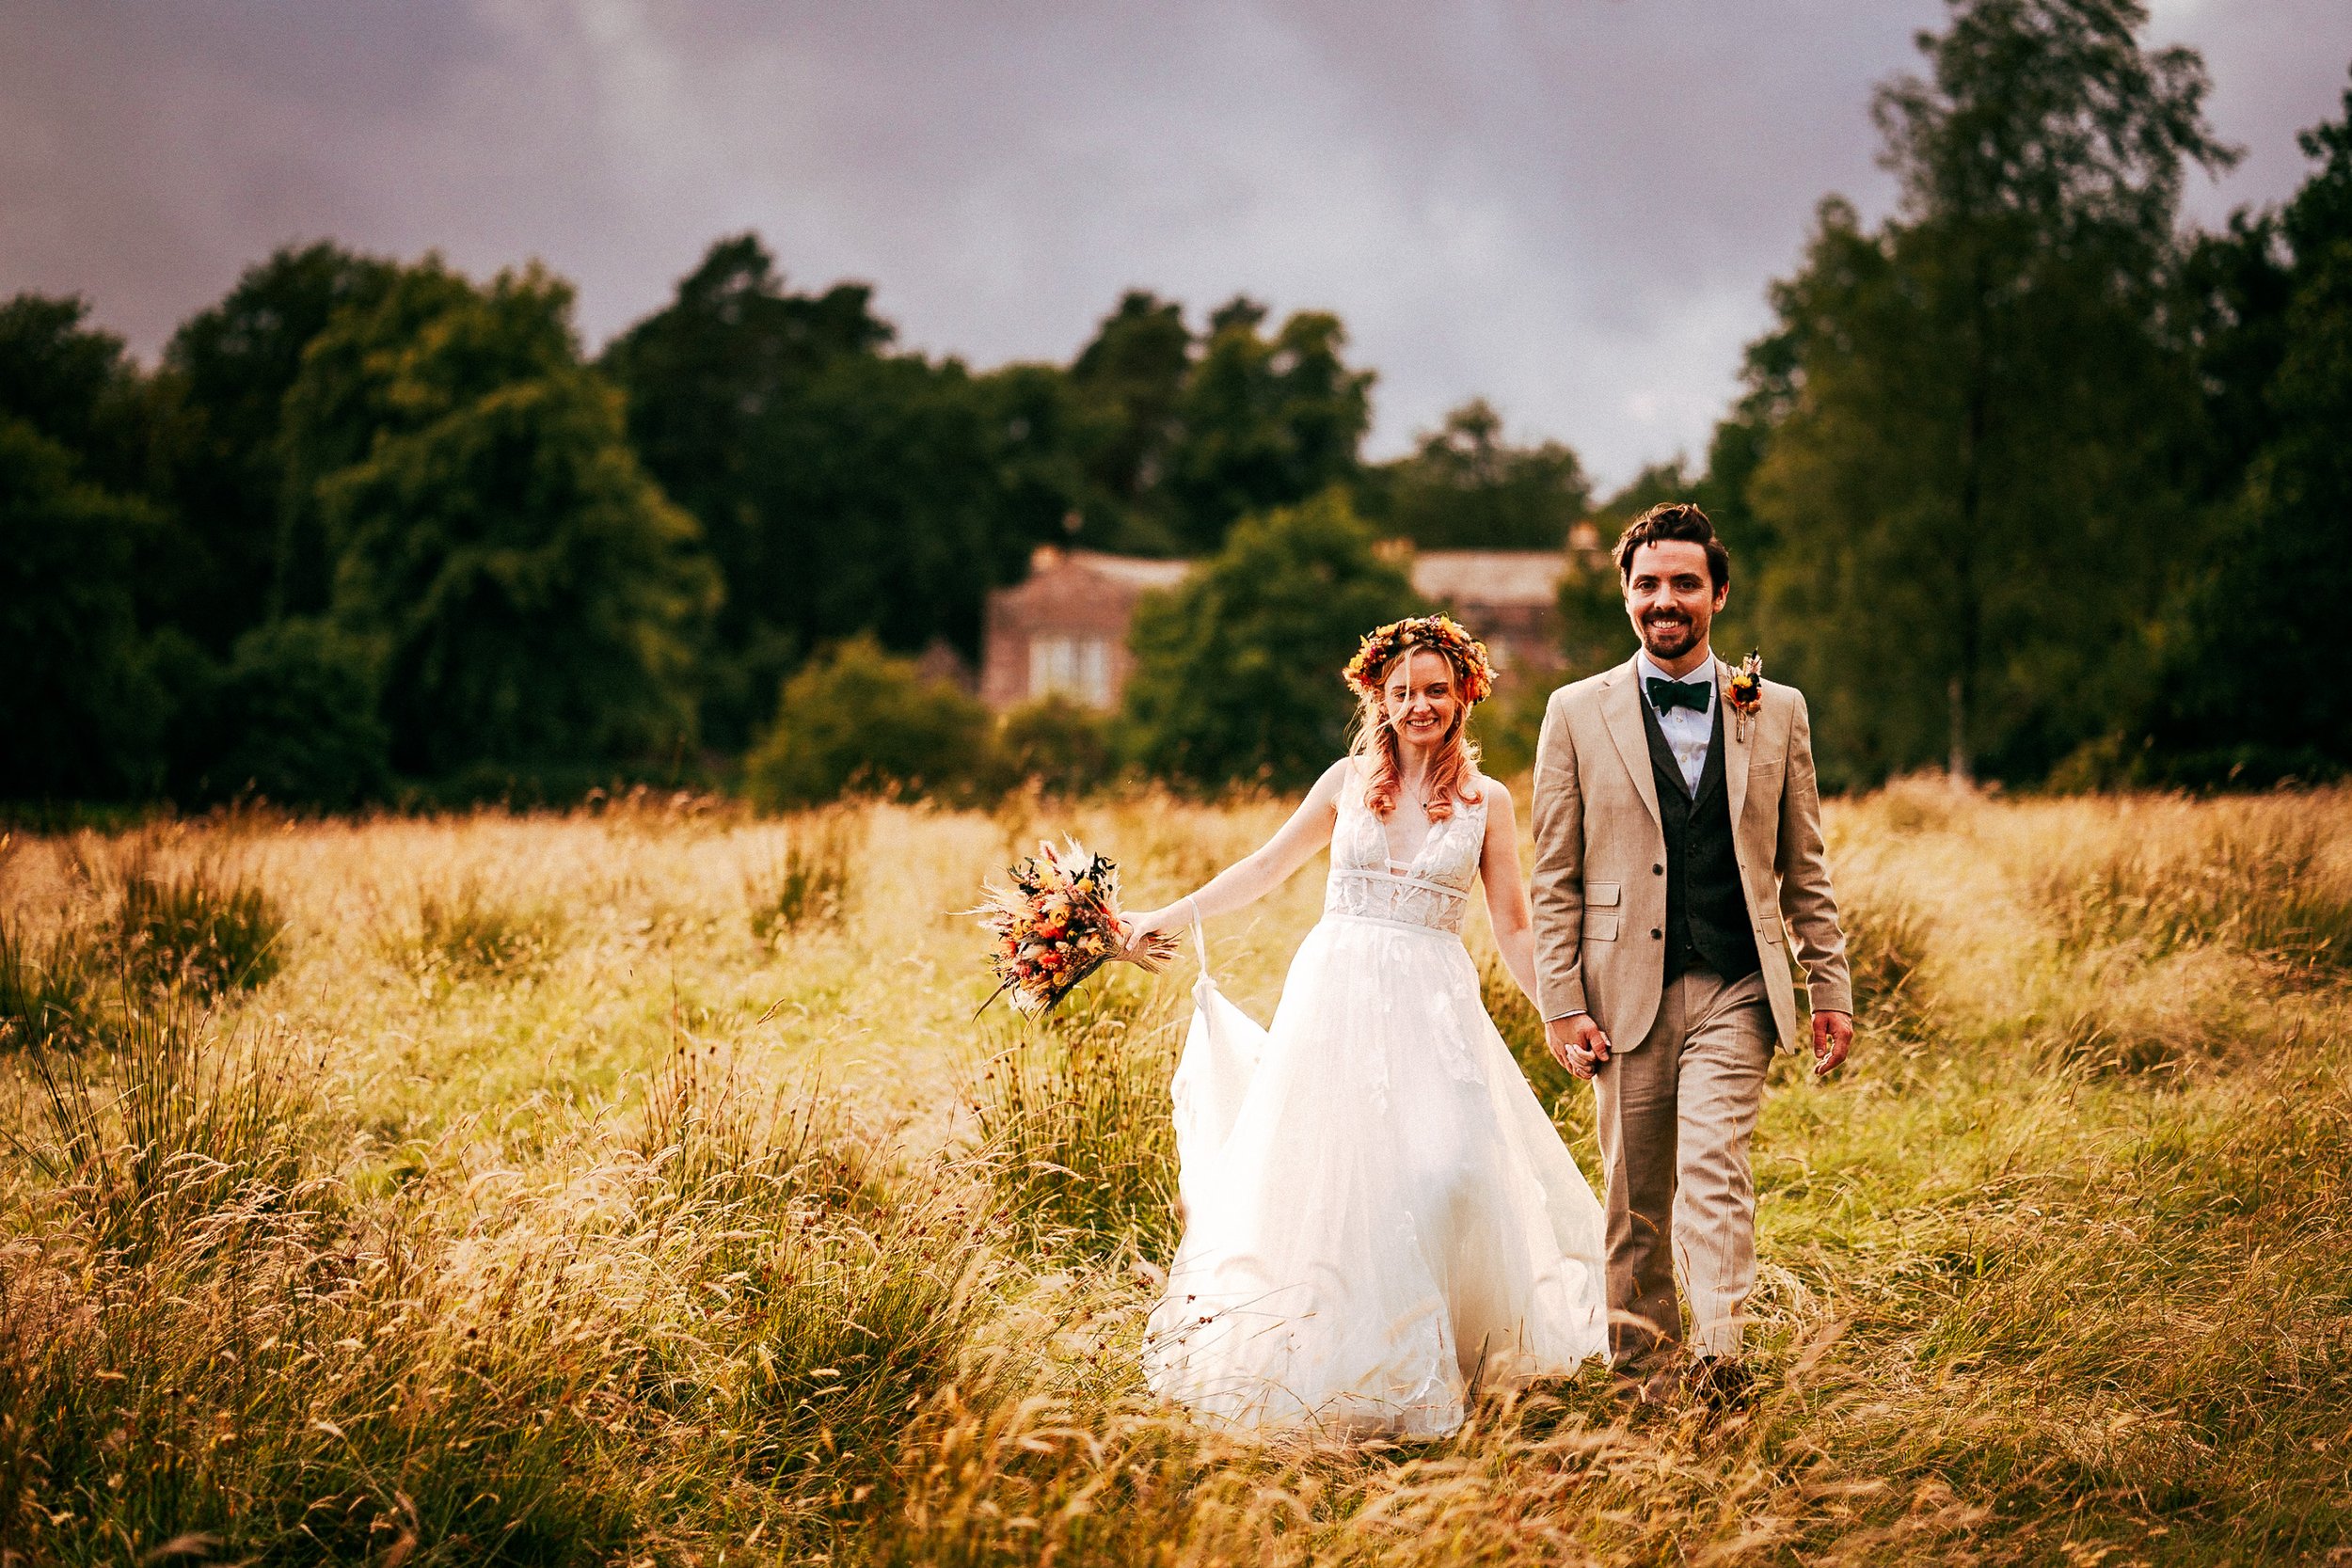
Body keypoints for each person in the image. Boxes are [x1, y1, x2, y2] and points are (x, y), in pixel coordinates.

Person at [1122, 615, 1607, 1437]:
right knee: (1338, 1181)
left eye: (1434, 691)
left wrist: (1563, 1009)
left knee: (1447, 1172)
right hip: (1336, 1000)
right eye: (1403, 692)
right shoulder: (1346, 781)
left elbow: (1515, 928)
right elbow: (1266, 867)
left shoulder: (1487, 803)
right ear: (1379, 698)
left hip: (1434, 1008)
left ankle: (1454, 1341)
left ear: (1464, 696)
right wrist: (1161, 916)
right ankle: (1352, 1365)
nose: (1419, 705)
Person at [1530, 502, 1853, 1413]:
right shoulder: (1573, 711)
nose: (1663, 600)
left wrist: (1830, 984)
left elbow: (1805, 864)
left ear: (1717, 592)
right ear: (1626, 594)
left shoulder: (1776, 708)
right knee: (1635, 1199)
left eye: (1682, 583)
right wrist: (1561, 1001)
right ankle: (1644, 1381)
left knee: (1714, 1169)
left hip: (1737, 987)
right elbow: (1553, 870)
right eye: (1646, 584)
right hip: (1620, 991)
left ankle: (1720, 1365)